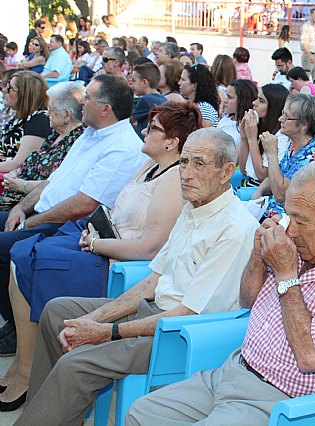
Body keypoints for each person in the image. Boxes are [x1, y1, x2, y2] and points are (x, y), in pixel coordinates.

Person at [15, 128, 260, 424]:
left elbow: (187, 312)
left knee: (75, 364)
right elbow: (153, 279)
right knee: (58, 311)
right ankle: (52, 413)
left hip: (181, 335)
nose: (186, 173)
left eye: (200, 164)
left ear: (226, 172)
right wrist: (96, 318)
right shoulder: (194, 206)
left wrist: (105, 331)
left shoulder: (234, 229)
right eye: (183, 162)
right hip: (156, 312)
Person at [126, 160, 315, 425]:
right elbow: (248, 300)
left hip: (287, 402)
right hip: (235, 371)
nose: (290, 230)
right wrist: (258, 256)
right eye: (288, 216)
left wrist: (286, 274)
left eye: (301, 221)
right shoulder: (306, 246)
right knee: (141, 414)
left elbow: (309, 356)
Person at [0, 102, 200, 409]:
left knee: (30, 261)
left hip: (118, 262)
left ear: (172, 141)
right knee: (21, 253)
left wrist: (96, 245)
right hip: (101, 242)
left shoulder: (173, 180)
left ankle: (26, 373)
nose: (145, 131)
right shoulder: (148, 166)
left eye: (154, 128)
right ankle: (22, 366)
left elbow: (148, 248)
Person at [0, 75, 146, 351]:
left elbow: (84, 205)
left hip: (64, 224)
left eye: (88, 98)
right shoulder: (89, 134)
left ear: (105, 109)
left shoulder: (122, 146)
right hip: (44, 213)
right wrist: (20, 207)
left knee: (4, 248)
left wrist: (31, 220)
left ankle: (20, 331)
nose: (82, 103)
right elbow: (55, 180)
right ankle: (15, 323)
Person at [0, 82, 84, 212]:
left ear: (67, 115)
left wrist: (22, 185)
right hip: (12, 197)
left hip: (29, 206)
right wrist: (15, 174)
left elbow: (59, 183)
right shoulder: (55, 134)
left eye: (51, 110)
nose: (46, 114)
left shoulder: (77, 141)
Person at [253, 94, 315, 219]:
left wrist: (272, 154)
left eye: (286, 116)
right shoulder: (295, 145)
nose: (280, 119)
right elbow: (277, 176)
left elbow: (280, 195)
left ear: (304, 125)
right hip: (271, 214)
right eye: (282, 113)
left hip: (290, 223)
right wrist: (260, 191)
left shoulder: (313, 156)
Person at [238, 83, 290, 184]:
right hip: (247, 185)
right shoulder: (260, 127)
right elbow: (243, 170)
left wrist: (252, 139)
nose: (254, 103)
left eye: (261, 101)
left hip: (260, 191)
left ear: (274, 106)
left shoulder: (282, 136)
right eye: (257, 98)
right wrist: (244, 137)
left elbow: (262, 175)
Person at [0, 71, 51, 173]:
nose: (4, 90)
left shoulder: (39, 120)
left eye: (10, 88)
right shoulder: (20, 115)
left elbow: (18, 163)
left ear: (24, 94)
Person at [217, 79, 258, 148]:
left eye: (229, 97)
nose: (225, 101)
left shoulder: (250, 123)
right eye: (226, 96)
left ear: (242, 100)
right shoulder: (226, 119)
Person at [130, 62, 167, 138]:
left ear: (144, 82)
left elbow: (131, 120)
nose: (131, 84)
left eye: (134, 81)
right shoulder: (163, 98)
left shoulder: (145, 100)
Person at [299, 8, 315, 81]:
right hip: (308, 55)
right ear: (311, 15)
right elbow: (303, 42)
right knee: (305, 79)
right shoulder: (307, 27)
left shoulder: (313, 27)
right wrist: (310, 55)